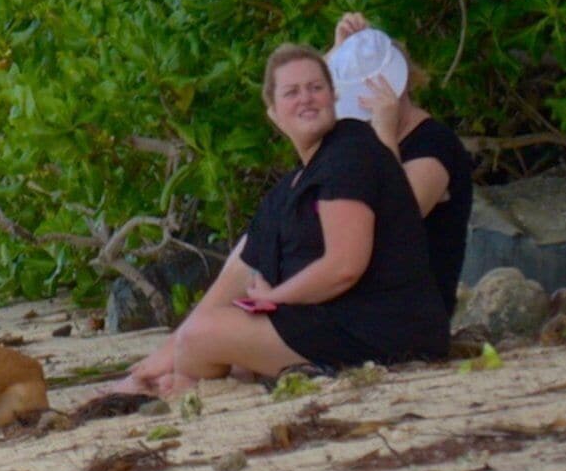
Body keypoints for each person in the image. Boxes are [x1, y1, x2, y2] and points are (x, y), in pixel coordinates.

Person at [115, 44, 451, 397]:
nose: (306, 98)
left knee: (200, 337)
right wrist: (175, 346)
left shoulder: (352, 154)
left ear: (334, 97)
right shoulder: (291, 187)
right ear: (274, 113)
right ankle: (178, 377)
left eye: (316, 88)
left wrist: (275, 297)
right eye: (292, 92)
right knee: (206, 336)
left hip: (383, 332)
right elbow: (238, 274)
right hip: (334, 323)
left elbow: (344, 267)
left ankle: (184, 385)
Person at [333, 11, 476, 298]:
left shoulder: (435, 145)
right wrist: (342, 54)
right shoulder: (361, 139)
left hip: (408, 306)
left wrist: (385, 133)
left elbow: (392, 221)